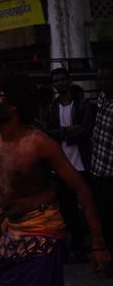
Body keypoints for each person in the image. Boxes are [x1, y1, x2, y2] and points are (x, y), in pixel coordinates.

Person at [0, 14, 110, 283]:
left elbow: (82, 190)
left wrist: (98, 245)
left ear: (14, 105)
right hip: (12, 231)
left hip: (42, 232)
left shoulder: (38, 143)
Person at [43, 67, 91, 261]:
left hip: (82, 164)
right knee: (67, 210)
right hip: (62, 167)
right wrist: (68, 131)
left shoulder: (83, 105)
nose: (60, 83)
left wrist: (65, 133)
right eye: (57, 81)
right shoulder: (52, 108)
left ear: (69, 81)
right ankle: (75, 246)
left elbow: (86, 130)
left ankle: (87, 244)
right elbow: (48, 132)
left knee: (88, 206)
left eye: (63, 79)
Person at [89, 61, 113, 271]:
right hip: (98, 170)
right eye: (101, 78)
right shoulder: (102, 100)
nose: (103, 82)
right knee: (103, 218)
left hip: (111, 173)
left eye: (108, 78)